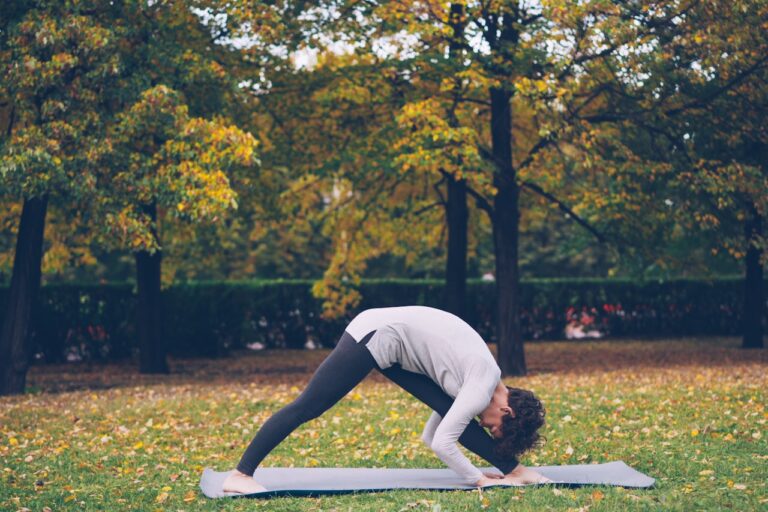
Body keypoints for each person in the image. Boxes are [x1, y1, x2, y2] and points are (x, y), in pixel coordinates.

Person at [223, 305, 550, 494]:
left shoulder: (484, 380)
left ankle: (515, 470)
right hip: (376, 335)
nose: (486, 427)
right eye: (495, 429)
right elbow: (442, 443)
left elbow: (433, 434)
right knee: (309, 406)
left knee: (453, 413)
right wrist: (477, 479)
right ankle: (240, 475)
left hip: (396, 347)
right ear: (506, 410)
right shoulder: (480, 386)